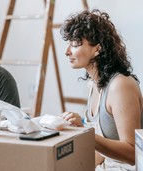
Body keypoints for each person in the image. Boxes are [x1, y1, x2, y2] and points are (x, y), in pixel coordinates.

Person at [60, 9, 143, 170]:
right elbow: (102, 153)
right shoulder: (93, 84)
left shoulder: (120, 86)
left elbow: (133, 154)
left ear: (97, 49)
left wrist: (85, 133)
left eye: (75, 43)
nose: (67, 51)